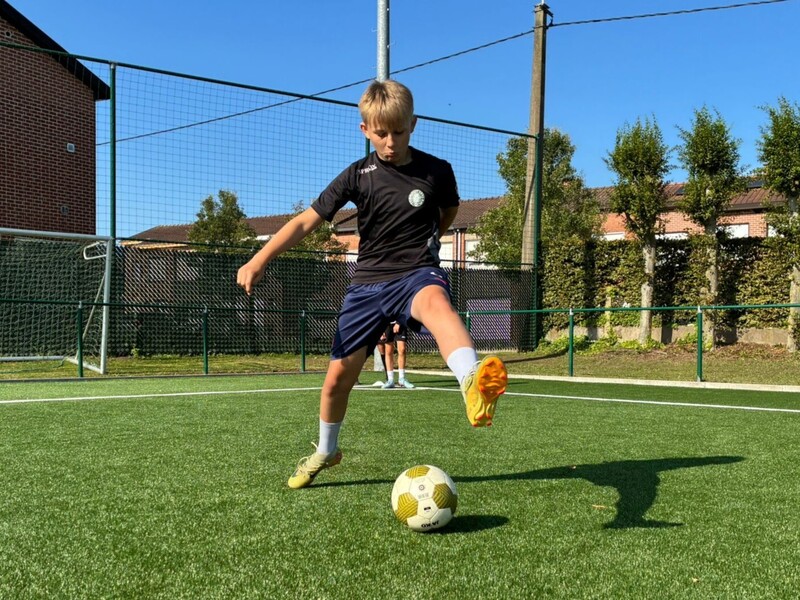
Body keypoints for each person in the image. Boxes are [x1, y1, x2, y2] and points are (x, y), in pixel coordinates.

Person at [237, 79, 507, 489]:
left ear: (413, 124)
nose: (391, 141)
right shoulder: (357, 176)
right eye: (381, 133)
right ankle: (326, 451)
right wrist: (259, 259)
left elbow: (448, 211)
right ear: (365, 130)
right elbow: (305, 221)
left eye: (399, 131)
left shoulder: (438, 171)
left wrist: (428, 240)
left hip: (416, 270)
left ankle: (472, 380)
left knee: (437, 305)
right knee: (336, 381)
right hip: (366, 285)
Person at [379, 320, 415, 389]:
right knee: (388, 351)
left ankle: (402, 378)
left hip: (400, 323)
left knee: (402, 349)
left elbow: (403, 310)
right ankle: (390, 380)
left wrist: (399, 323)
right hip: (387, 325)